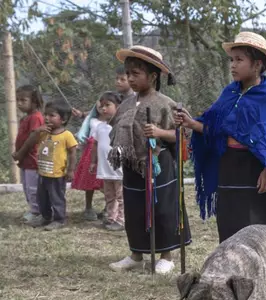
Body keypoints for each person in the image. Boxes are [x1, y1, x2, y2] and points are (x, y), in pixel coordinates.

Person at [175, 32, 266, 243]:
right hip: (228, 168)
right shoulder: (230, 93)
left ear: (257, 65)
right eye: (231, 60)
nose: (233, 65)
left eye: (239, 60)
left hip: (253, 171)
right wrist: (191, 123)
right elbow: (216, 128)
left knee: (255, 222)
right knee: (230, 219)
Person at [107, 45, 191, 274]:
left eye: (136, 73)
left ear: (153, 76)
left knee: (162, 209)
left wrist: (160, 133)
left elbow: (182, 135)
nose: (130, 78)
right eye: (128, 73)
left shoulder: (165, 103)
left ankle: (166, 256)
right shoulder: (125, 104)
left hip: (158, 166)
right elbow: (116, 131)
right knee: (134, 210)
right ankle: (136, 254)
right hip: (132, 166)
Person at [73, 66, 134, 221]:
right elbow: (98, 111)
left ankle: (121, 218)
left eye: (123, 79)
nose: (118, 82)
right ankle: (111, 215)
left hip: (120, 164)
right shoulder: (102, 122)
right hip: (105, 163)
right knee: (109, 191)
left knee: (121, 193)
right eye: (117, 78)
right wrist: (83, 115)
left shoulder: (135, 99)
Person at [17, 99, 78, 230]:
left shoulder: (66, 135)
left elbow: (73, 153)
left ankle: (59, 219)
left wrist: (71, 170)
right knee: (42, 197)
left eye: (52, 115)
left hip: (57, 174)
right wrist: (37, 131)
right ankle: (45, 217)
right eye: (46, 115)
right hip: (43, 172)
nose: (47, 118)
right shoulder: (43, 133)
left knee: (56, 197)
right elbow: (31, 141)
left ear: (63, 119)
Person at [90, 91, 124, 231]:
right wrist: (93, 162)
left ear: (118, 107)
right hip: (105, 169)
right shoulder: (100, 126)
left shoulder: (122, 126)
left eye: (107, 105)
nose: (103, 108)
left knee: (121, 197)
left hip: (119, 170)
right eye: (101, 106)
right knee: (109, 195)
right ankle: (111, 218)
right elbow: (95, 144)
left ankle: (122, 221)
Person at [12, 85, 45, 224]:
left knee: (33, 187)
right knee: (26, 186)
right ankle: (33, 209)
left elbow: (33, 139)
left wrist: (20, 153)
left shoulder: (35, 118)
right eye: (17, 100)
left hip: (32, 159)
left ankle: (37, 212)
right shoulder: (26, 118)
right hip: (25, 159)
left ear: (34, 101)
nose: (19, 103)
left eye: (23, 100)